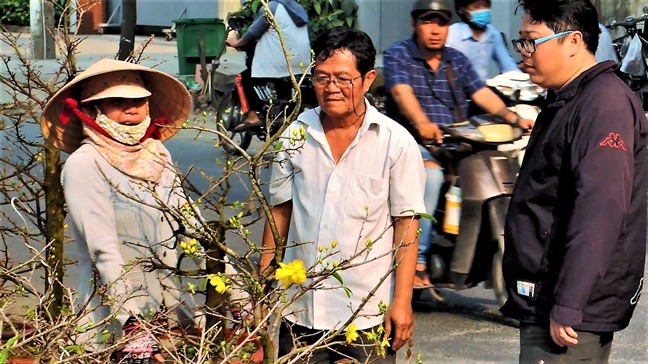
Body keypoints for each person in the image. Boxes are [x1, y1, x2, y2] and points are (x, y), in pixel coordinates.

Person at [261, 27, 426, 362]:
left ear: (368, 80)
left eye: (342, 79)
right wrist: (262, 290)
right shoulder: (295, 136)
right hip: (301, 308)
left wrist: (402, 302)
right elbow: (279, 213)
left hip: (366, 312)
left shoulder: (395, 142)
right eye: (322, 78)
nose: (331, 88)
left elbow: (406, 227)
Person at [503, 0, 647, 363]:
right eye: (520, 41)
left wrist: (569, 302)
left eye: (532, 41)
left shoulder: (604, 106)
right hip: (550, 298)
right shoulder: (568, 99)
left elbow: (600, 212)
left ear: (573, 41)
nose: (524, 52)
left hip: (569, 314)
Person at [41, 59, 201, 362]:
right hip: (113, 322)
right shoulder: (85, 164)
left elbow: (190, 225)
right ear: (90, 111)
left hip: (168, 309)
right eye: (117, 101)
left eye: (139, 100)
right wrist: (132, 323)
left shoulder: (157, 154)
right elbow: (103, 251)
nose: (132, 109)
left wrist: (234, 288)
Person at [383, 0, 534, 289]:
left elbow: (480, 94)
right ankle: (418, 261)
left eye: (441, 22)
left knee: (494, 168)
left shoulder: (456, 60)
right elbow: (402, 94)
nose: (435, 29)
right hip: (413, 144)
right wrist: (422, 122)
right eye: (428, 22)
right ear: (415, 24)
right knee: (431, 178)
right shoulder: (398, 55)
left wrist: (512, 116)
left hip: (456, 143)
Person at [226, 0, 311, 131]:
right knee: (282, 83)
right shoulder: (300, 9)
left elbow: (253, 32)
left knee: (243, 79)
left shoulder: (272, 7)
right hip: (302, 63)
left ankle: (252, 116)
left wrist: (237, 43)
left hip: (280, 62)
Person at [446, 0, 520, 81]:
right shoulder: (451, 34)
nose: (483, 10)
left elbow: (508, 66)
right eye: (476, 6)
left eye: (486, 5)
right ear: (462, 10)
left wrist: (521, 80)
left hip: (483, 90)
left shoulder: (492, 33)